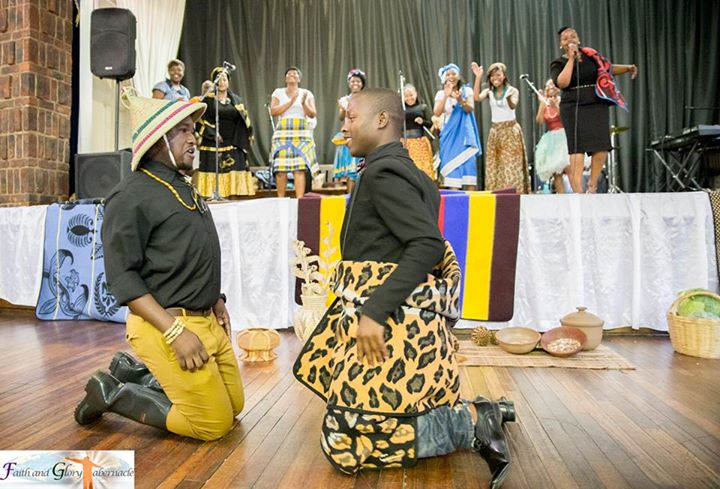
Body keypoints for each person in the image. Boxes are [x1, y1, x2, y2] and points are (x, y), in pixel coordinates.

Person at [293, 88, 515, 489]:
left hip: (389, 322)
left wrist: (374, 311)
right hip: (403, 320)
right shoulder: (412, 172)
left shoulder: (383, 173)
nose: (344, 126)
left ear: (381, 120)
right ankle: (481, 414)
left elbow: (427, 244)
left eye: (351, 117)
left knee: (341, 443)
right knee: (366, 419)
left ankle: (472, 423)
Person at [73, 91, 244, 441]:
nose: (194, 138)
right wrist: (175, 332)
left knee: (235, 406)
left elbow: (187, 255)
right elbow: (122, 277)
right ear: (156, 141)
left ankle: (136, 374)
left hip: (204, 320)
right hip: (166, 325)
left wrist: (216, 300)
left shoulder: (182, 187)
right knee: (214, 424)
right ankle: (111, 393)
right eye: (182, 131)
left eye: (193, 130)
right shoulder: (130, 195)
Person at [550, 26, 638, 193]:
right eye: (565, 38)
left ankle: (592, 184)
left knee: (601, 145)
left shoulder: (592, 57)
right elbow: (562, 83)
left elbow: (608, 69)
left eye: (573, 36)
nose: (570, 40)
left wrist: (627, 68)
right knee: (577, 148)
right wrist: (571, 59)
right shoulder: (558, 63)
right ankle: (578, 192)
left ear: (578, 39)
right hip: (572, 106)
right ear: (561, 44)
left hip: (596, 103)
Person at [195, 67, 254, 198]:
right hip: (213, 142)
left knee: (233, 172)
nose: (222, 82)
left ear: (228, 81)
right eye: (219, 80)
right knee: (215, 171)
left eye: (224, 79)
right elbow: (200, 120)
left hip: (233, 142)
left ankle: (233, 201)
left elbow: (245, 120)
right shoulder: (207, 100)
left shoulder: (237, 100)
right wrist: (212, 133)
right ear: (214, 82)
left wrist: (248, 136)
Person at [473, 62, 530, 194]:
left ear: (504, 76)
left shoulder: (512, 90)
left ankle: (514, 194)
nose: (495, 78)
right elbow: (476, 98)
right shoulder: (489, 92)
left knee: (511, 165)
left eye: (498, 75)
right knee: (496, 165)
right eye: (492, 76)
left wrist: (508, 99)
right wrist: (478, 77)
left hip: (510, 131)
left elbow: (513, 105)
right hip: (495, 132)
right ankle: (498, 195)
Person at [269, 66, 320, 198]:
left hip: (301, 131)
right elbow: (273, 111)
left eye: (295, 73)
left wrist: (303, 103)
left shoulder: (306, 93)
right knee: (280, 169)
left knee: (299, 169)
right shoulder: (278, 92)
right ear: (285, 78)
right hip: (283, 131)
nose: (292, 74)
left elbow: (312, 113)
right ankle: (280, 201)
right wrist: (291, 102)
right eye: (289, 73)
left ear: (299, 78)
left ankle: (299, 200)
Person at [433, 64, 480, 190]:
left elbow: (470, 108)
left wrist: (460, 100)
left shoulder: (467, 91)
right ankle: (456, 203)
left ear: (458, 76)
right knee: (452, 174)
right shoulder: (440, 94)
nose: (451, 76)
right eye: (448, 74)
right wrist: (446, 95)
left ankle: (471, 203)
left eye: (453, 74)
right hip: (449, 138)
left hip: (465, 137)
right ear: (444, 78)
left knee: (469, 175)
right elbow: (437, 112)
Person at [533, 79, 574, 193]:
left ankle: (577, 195)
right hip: (551, 139)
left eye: (552, 85)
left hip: (564, 136)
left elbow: (567, 118)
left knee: (569, 168)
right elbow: (540, 120)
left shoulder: (562, 100)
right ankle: (562, 198)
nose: (550, 87)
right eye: (547, 85)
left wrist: (555, 106)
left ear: (558, 88)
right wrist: (542, 102)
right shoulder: (544, 103)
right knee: (556, 172)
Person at [332, 68, 367, 193]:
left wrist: (347, 107)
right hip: (348, 134)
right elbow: (341, 117)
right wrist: (342, 109)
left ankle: (361, 196)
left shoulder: (366, 98)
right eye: (352, 81)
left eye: (358, 81)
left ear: (362, 83)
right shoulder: (344, 99)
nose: (355, 83)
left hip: (361, 134)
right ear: (349, 83)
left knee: (361, 168)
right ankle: (350, 198)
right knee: (350, 171)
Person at [403, 83, 435, 180]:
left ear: (416, 94)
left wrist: (422, 121)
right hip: (405, 143)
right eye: (406, 96)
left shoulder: (423, 107)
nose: (409, 98)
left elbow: (430, 124)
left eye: (411, 95)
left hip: (419, 142)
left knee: (423, 168)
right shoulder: (401, 109)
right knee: (407, 169)